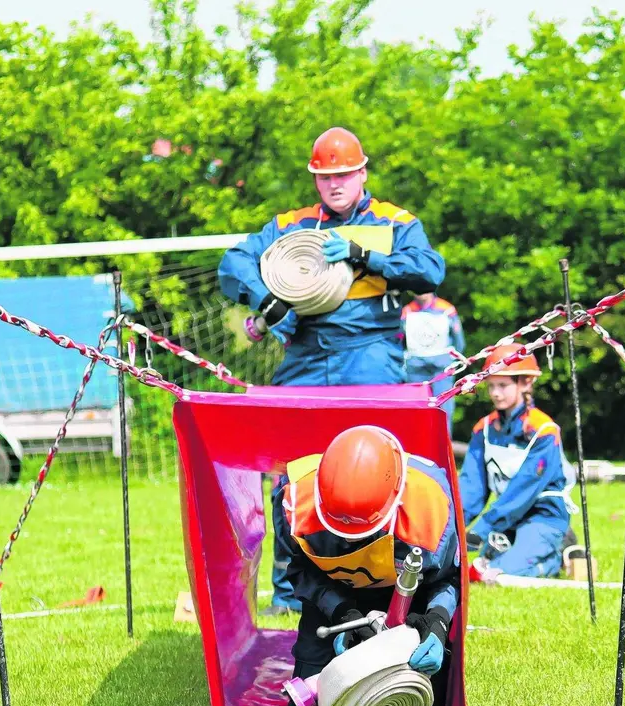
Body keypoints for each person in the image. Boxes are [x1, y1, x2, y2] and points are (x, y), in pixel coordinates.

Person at [217, 126, 447, 615]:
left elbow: (430, 270)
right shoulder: (289, 224)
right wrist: (267, 302)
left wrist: (366, 256)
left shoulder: (395, 221)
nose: (335, 184)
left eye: (344, 174)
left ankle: (387, 580)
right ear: (316, 180)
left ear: (362, 172)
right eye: (325, 177)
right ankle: (290, 592)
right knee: (290, 469)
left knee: (380, 466)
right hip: (304, 357)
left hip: (371, 355)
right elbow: (232, 264)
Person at [279, 425, 460, 706]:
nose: (347, 537)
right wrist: (343, 614)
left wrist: (437, 626)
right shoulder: (297, 502)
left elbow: (447, 580)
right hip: (333, 597)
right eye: (338, 529)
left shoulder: (431, 513)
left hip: (406, 598)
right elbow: (300, 570)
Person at [458, 343, 574, 582]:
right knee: (474, 567)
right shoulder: (484, 429)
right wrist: (453, 527)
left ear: (526, 383)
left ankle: (558, 552)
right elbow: (472, 487)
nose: (495, 393)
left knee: (496, 574)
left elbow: (523, 491)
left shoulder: (544, 431)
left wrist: (482, 528)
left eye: (503, 385)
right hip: (506, 521)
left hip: (542, 517)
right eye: (491, 386)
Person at [400, 293, 466, 422]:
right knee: (415, 411)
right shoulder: (407, 311)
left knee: (444, 411)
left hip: (442, 368)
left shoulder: (446, 309)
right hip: (415, 368)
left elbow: (459, 341)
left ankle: (443, 441)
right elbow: (399, 340)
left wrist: (452, 360)